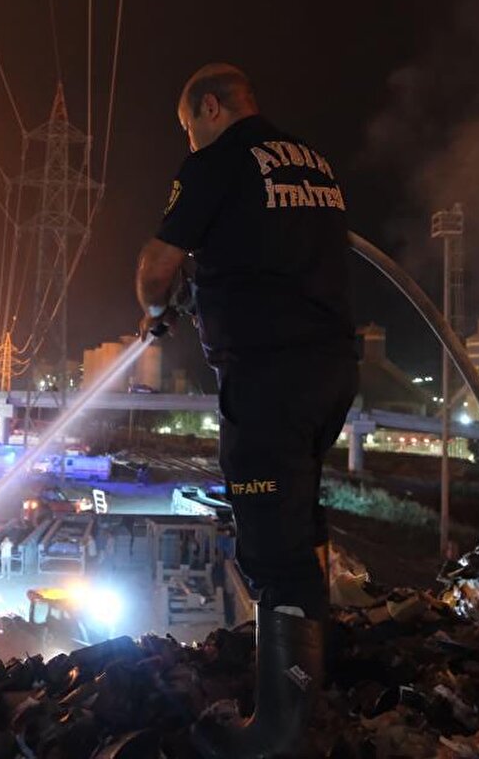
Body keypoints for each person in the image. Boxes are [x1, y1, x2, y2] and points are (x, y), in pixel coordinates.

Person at [135, 63, 357, 758]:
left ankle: (278, 735)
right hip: (330, 370)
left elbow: (157, 265)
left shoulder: (218, 160)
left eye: (190, 128)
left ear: (209, 107)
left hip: (268, 377)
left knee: (272, 545)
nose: (192, 141)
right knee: (299, 519)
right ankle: (310, 689)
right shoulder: (312, 161)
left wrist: (151, 310)